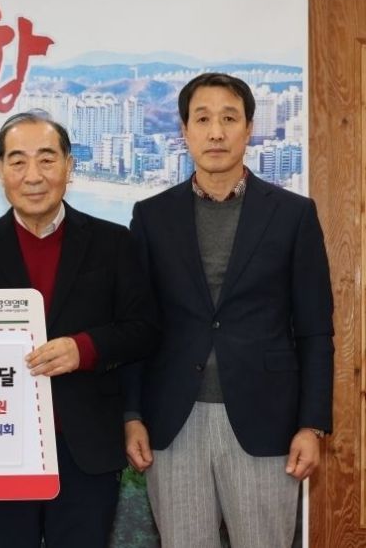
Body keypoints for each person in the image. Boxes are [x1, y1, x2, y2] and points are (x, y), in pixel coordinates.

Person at [124, 72, 334, 547]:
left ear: (249, 128)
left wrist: (312, 424)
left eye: (229, 118)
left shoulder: (293, 214)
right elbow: (139, 326)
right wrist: (132, 414)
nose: (215, 132)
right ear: (184, 131)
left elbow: (315, 330)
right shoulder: (151, 216)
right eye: (202, 119)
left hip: (266, 419)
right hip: (174, 420)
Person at [0, 112, 158, 547]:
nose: (33, 176)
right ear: (0, 170)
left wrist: (85, 349)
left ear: (69, 166)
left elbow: (144, 328)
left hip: (86, 447)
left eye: (47, 159)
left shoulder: (113, 242)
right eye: (18, 161)